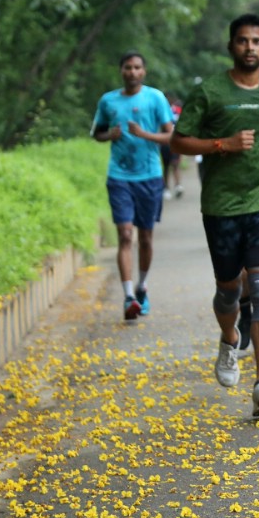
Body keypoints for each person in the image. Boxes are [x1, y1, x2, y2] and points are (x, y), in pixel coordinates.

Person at [170, 13, 259, 417]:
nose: (250, 48)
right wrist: (222, 143)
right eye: (242, 41)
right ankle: (229, 338)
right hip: (222, 206)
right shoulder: (209, 91)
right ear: (231, 47)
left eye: (257, 41)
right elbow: (180, 141)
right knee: (229, 290)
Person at [90, 51, 176, 320]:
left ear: (144, 71)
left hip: (150, 176)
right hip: (119, 176)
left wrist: (143, 134)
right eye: (127, 67)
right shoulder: (108, 100)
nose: (132, 72)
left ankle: (142, 287)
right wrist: (109, 135)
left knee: (146, 237)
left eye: (137, 67)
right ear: (121, 71)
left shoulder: (155, 98)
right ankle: (128, 297)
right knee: (126, 235)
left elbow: (171, 135)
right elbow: (97, 133)